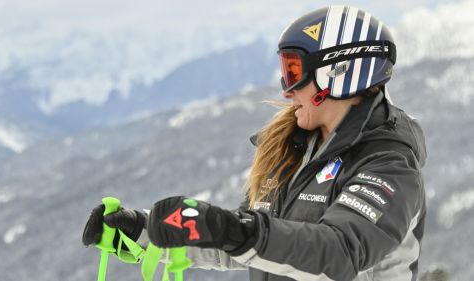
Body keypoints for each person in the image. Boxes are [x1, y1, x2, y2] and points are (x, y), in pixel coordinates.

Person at [83, 5, 426, 281]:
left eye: (294, 71)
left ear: (339, 73)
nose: (286, 89)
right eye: (284, 71)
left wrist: (236, 231)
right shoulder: (296, 147)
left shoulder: (389, 163)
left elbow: (339, 252)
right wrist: (145, 231)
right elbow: (249, 242)